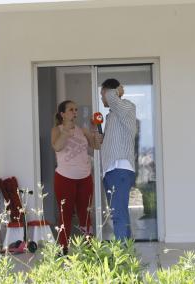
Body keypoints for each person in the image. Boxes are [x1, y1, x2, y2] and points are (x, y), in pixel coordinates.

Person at [51, 100, 101, 254]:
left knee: (85, 213)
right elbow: (57, 146)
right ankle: (63, 248)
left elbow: (96, 146)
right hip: (64, 177)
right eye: (71, 109)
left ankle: (90, 246)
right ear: (63, 114)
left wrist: (95, 133)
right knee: (65, 214)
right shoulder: (57, 130)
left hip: (85, 177)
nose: (75, 112)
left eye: (76, 109)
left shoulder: (82, 130)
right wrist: (66, 131)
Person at [99, 78, 137, 241]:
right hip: (111, 170)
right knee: (118, 213)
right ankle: (127, 252)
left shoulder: (127, 107)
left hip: (120, 168)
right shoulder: (112, 116)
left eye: (102, 94)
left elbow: (111, 96)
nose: (102, 98)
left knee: (118, 215)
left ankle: (123, 256)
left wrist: (116, 90)